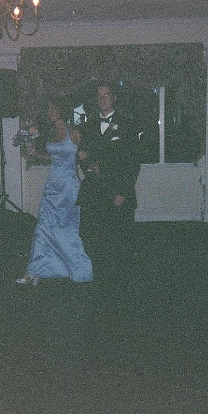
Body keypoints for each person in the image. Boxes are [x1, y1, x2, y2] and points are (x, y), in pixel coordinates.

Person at [15, 98, 93, 285]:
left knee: (66, 229)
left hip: (68, 186)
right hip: (52, 185)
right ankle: (34, 271)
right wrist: (35, 153)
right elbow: (54, 157)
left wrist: (85, 158)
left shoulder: (73, 132)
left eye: (52, 108)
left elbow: (87, 154)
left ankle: (79, 269)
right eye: (48, 109)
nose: (49, 112)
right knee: (43, 225)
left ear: (61, 109)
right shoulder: (50, 132)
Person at [76, 81, 141, 279]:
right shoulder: (88, 126)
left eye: (106, 95)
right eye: (99, 96)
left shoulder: (127, 125)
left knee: (120, 240)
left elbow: (133, 162)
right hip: (95, 190)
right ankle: (98, 278)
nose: (102, 99)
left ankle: (121, 281)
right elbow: (83, 155)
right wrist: (89, 164)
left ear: (114, 98)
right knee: (94, 239)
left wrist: (123, 192)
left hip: (117, 190)